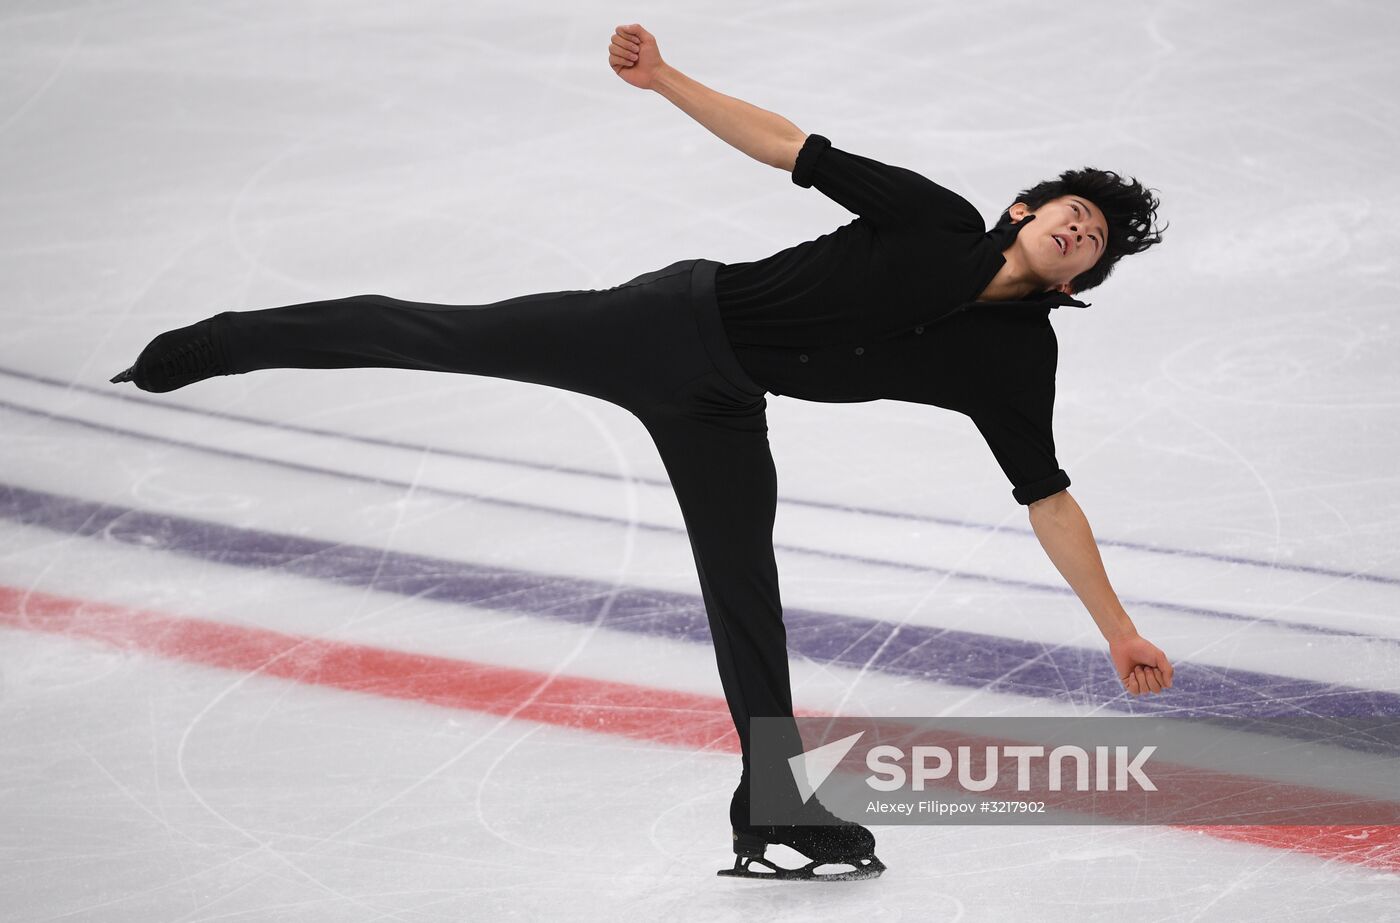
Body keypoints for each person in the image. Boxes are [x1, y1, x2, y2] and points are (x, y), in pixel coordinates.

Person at [110, 22, 1174, 882]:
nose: (1079, 231)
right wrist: (666, 78)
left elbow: (1046, 496)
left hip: (721, 404)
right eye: (1072, 212)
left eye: (1093, 240)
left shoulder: (1011, 361)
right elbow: (789, 148)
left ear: (1080, 281)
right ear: (1023, 209)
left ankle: (773, 806)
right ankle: (222, 342)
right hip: (661, 321)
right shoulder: (932, 221)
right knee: (439, 331)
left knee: (746, 592)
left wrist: (1115, 628)